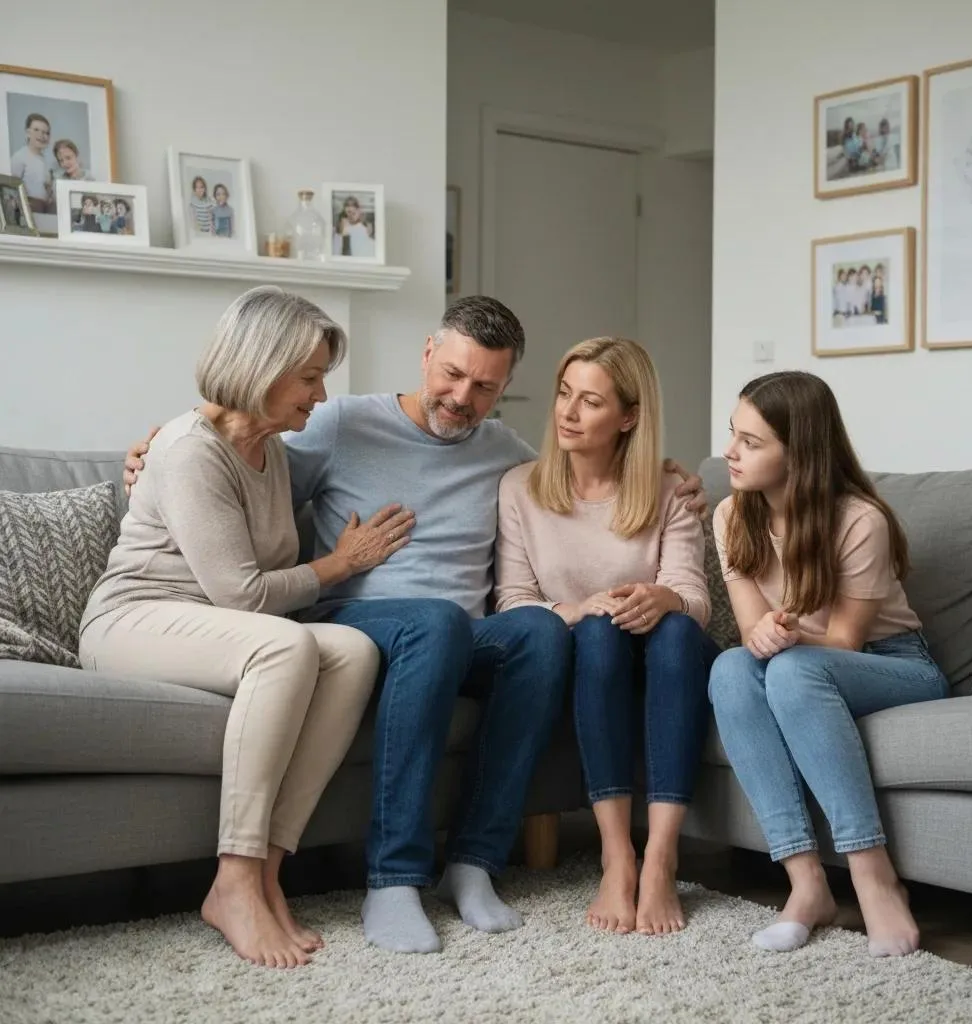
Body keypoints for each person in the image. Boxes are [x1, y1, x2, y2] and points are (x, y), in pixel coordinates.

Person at [123, 295, 708, 956]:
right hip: (356, 623)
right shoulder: (339, 424)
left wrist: (671, 475)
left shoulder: (503, 453)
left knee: (540, 633)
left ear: (505, 388)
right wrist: (148, 455)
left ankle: (474, 863)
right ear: (428, 352)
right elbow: (240, 458)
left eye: (485, 387)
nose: (462, 398)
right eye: (452, 374)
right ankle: (395, 877)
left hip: (459, 636)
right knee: (435, 622)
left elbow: (580, 475)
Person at [85, 286, 411, 968]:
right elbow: (243, 594)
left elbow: (256, 588)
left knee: (352, 651)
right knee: (286, 646)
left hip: (214, 627)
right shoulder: (189, 450)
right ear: (263, 368)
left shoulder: (272, 450)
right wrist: (340, 564)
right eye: (310, 377)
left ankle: (266, 871)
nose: (321, 396)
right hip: (133, 619)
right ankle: (231, 881)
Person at [708, 370, 948, 957]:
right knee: (730, 669)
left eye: (751, 442)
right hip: (798, 662)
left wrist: (788, 639)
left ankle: (874, 878)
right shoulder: (731, 516)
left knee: (793, 669)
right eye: (733, 433)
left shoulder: (860, 520)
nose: (730, 452)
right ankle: (806, 884)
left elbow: (844, 639)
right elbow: (750, 632)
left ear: (800, 454)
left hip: (892, 665)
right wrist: (765, 633)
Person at [494, 337, 719, 937]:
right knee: (597, 631)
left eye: (590, 401)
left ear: (629, 417)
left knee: (676, 629)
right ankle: (617, 857)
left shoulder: (671, 491)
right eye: (564, 394)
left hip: (670, 655)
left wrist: (665, 598)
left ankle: (662, 858)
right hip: (589, 655)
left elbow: (695, 599)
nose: (568, 412)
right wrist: (581, 608)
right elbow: (512, 600)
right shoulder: (519, 488)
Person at [10, 112, 53, 214]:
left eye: (46, 133)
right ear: (28, 132)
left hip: (44, 207)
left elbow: (44, 186)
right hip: (28, 206)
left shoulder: (44, 160)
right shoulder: (20, 156)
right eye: (36, 130)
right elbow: (12, 185)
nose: (41, 135)